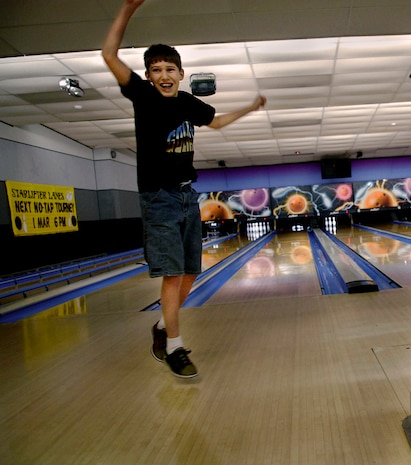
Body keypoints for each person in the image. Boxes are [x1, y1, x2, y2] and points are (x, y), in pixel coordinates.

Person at [102, 0, 266, 378]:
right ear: (147, 75)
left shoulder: (189, 103)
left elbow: (219, 121)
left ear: (180, 74)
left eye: (169, 69)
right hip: (158, 198)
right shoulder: (141, 95)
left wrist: (251, 107)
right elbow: (108, 53)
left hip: (187, 196)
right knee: (172, 276)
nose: (163, 74)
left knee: (191, 272)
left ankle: (162, 328)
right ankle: (175, 347)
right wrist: (128, 9)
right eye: (156, 69)